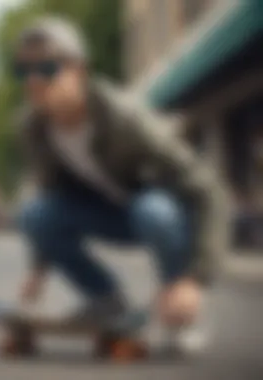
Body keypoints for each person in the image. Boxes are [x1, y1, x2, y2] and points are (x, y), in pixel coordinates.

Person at [13, 17, 231, 352]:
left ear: (80, 71)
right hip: (105, 214)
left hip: (160, 214)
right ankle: (106, 300)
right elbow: (51, 192)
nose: (34, 81)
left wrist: (195, 279)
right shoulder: (34, 127)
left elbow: (209, 190)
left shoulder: (125, 117)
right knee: (34, 214)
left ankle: (181, 311)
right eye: (24, 71)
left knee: (153, 210)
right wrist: (38, 269)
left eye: (47, 68)